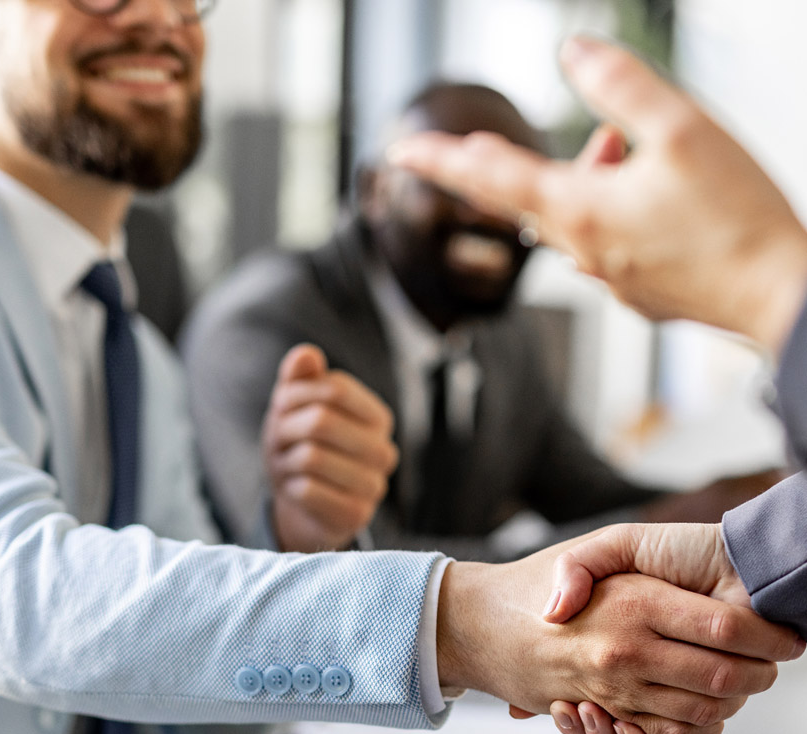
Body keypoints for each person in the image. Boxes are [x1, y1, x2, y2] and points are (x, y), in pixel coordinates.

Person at [0, 2, 797, 734]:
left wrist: (302, 537)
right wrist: (464, 621)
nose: (160, 15)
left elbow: (201, 731)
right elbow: (17, 591)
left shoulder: (136, 353)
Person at [387, 34, 807, 734]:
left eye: (498, 197)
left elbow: (574, 484)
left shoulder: (503, 338)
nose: (484, 216)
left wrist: (740, 537)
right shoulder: (279, 321)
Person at [181, 80, 777, 563]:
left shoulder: (503, 335)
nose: (489, 212)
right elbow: (342, 573)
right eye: (454, 181)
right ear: (372, 190)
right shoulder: (264, 328)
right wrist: (650, 535)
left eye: (516, 188)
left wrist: (740, 508)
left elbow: (584, 493)